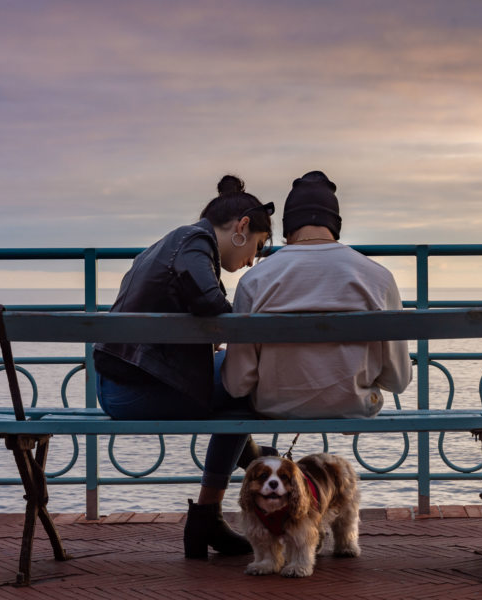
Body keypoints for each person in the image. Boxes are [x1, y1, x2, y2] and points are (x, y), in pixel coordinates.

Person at [93, 174, 276, 560]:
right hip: (134, 391)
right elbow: (207, 299)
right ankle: (219, 502)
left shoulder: (173, 241)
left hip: (120, 382)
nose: (249, 263)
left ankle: (242, 470)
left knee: (239, 387)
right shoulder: (195, 243)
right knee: (249, 378)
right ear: (242, 227)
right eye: (256, 248)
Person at [221, 170, 412, 419]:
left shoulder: (254, 281)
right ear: (335, 225)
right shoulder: (379, 278)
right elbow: (398, 380)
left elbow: (238, 384)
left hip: (273, 408)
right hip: (355, 406)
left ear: (288, 230)